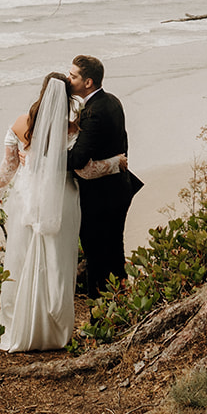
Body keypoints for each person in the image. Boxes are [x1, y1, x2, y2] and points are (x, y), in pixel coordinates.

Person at [0, 72, 125, 352]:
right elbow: (84, 171)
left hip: (27, 199)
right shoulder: (72, 130)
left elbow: (9, 166)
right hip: (61, 199)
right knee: (57, 263)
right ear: (67, 98)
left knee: (23, 259)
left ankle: (19, 327)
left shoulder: (20, 125)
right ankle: (54, 329)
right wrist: (115, 163)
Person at [67, 54, 142, 298]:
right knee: (114, 249)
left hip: (101, 196)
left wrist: (41, 160)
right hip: (120, 188)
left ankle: (99, 316)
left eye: (73, 75)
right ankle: (121, 301)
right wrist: (114, 163)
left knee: (96, 255)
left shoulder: (93, 111)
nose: (69, 79)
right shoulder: (112, 100)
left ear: (88, 82)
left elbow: (78, 159)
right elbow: (124, 141)